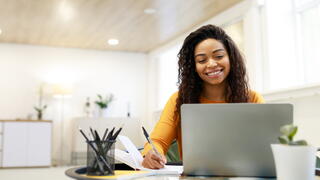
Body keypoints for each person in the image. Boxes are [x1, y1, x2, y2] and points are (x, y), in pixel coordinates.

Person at [141, 24, 265, 169]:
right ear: (193, 66)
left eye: (219, 56)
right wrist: (151, 154)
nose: (211, 64)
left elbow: (266, 145)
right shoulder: (179, 100)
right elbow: (157, 141)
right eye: (201, 60)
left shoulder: (252, 99)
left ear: (231, 58)